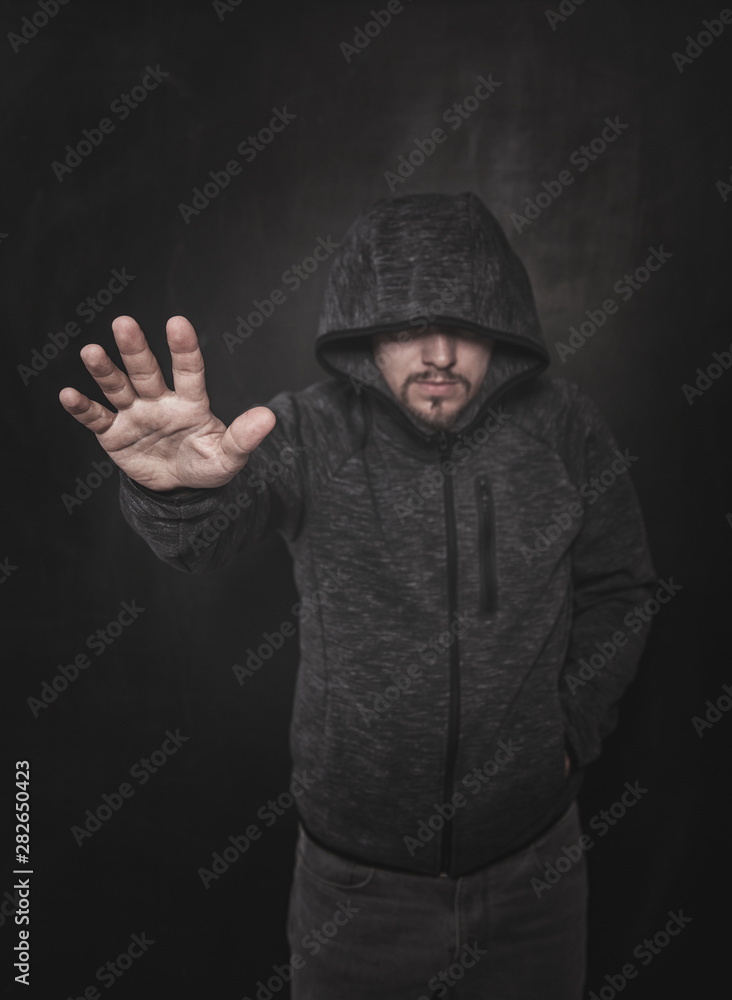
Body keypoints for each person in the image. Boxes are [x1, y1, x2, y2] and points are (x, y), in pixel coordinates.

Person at [59, 191, 656, 998]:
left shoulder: (565, 428)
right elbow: (206, 537)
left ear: (504, 329)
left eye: (467, 325)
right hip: (358, 896)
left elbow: (621, 588)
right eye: (410, 326)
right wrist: (178, 496)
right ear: (365, 330)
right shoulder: (306, 431)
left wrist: (572, 730)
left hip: (535, 874)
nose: (440, 352)